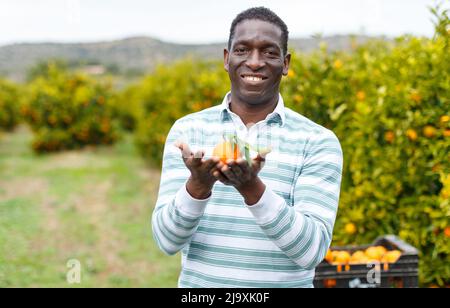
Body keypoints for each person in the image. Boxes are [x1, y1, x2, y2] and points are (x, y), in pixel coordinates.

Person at [152, 7, 343, 288]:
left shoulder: (317, 141)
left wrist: (252, 188)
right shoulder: (189, 132)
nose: (255, 62)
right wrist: (198, 186)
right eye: (242, 50)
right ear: (227, 59)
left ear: (286, 63)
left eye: (269, 52)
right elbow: (166, 241)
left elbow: (311, 251)